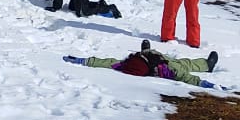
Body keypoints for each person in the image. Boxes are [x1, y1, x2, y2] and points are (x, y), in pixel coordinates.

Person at [64, 40, 221, 88]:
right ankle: (207, 65)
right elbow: (185, 77)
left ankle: (147, 50)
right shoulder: (168, 68)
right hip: (166, 63)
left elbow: (108, 63)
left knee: (182, 64)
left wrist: (83, 60)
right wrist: (205, 83)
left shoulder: (126, 65)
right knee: (185, 64)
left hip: (151, 61)